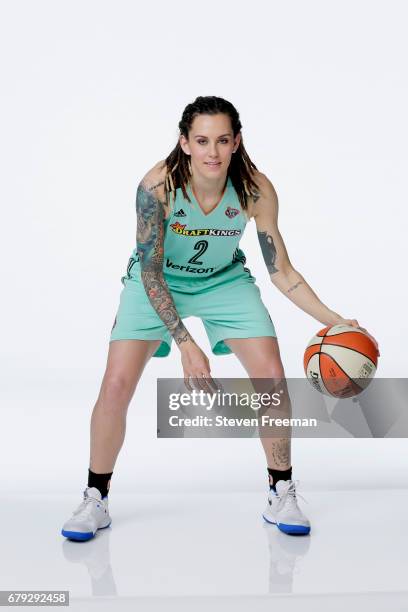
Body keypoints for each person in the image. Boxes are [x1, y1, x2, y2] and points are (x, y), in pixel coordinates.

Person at [61, 96, 379, 541]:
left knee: (271, 376)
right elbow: (150, 271)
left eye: (222, 140)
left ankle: (280, 489)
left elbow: (281, 271)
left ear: (236, 142)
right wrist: (186, 344)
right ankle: (96, 498)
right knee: (115, 385)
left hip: (223, 281)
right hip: (156, 281)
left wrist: (336, 320)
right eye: (202, 140)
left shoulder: (255, 189)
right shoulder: (158, 186)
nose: (213, 151)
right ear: (185, 143)